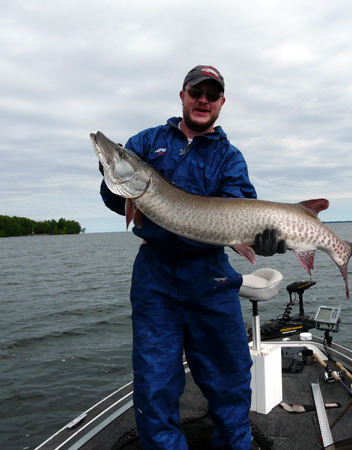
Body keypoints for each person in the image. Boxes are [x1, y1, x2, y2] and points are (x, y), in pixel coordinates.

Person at [100, 65, 285, 449]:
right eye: (196, 92)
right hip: (155, 277)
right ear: (182, 96)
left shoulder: (228, 157)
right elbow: (117, 201)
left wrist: (262, 238)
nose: (203, 100)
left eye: (211, 95)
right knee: (154, 383)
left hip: (210, 276)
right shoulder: (146, 142)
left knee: (230, 377)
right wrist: (110, 173)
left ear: (221, 103)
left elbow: (239, 210)